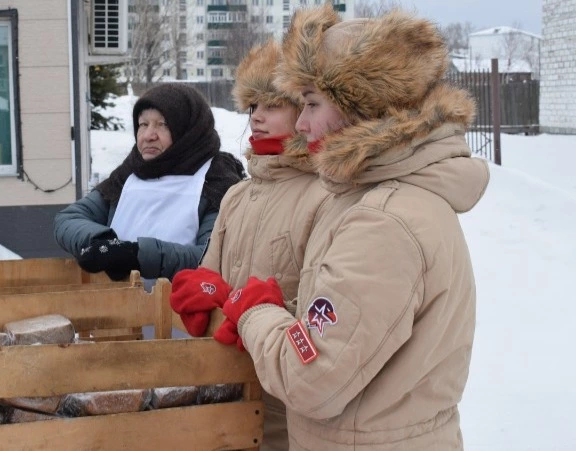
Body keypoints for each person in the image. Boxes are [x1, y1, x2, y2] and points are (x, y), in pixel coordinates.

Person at [206, 5, 491, 449]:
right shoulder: (369, 201)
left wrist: (257, 310)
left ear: (362, 106)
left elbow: (311, 377)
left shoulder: (384, 222)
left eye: (313, 104)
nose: (301, 124)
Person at [168, 40, 331, 450]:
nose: (255, 116)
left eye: (271, 105)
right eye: (251, 106)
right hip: (226, 399)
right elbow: (211, 273)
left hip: (285, 413)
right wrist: (202, 291)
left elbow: (326, 314)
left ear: (304, 109)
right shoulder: (237, 195)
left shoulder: (324, 196)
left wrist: (253, 313)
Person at [54, 83, 245, 281]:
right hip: (117, 304)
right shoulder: (129, 173)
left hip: (180, 309)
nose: (148, 136)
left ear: (189, 131)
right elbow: (68, 219)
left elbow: (209, 258)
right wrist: (100, 241)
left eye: (163, 125)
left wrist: (136, 255)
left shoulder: (217, 179)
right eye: (143, 124)